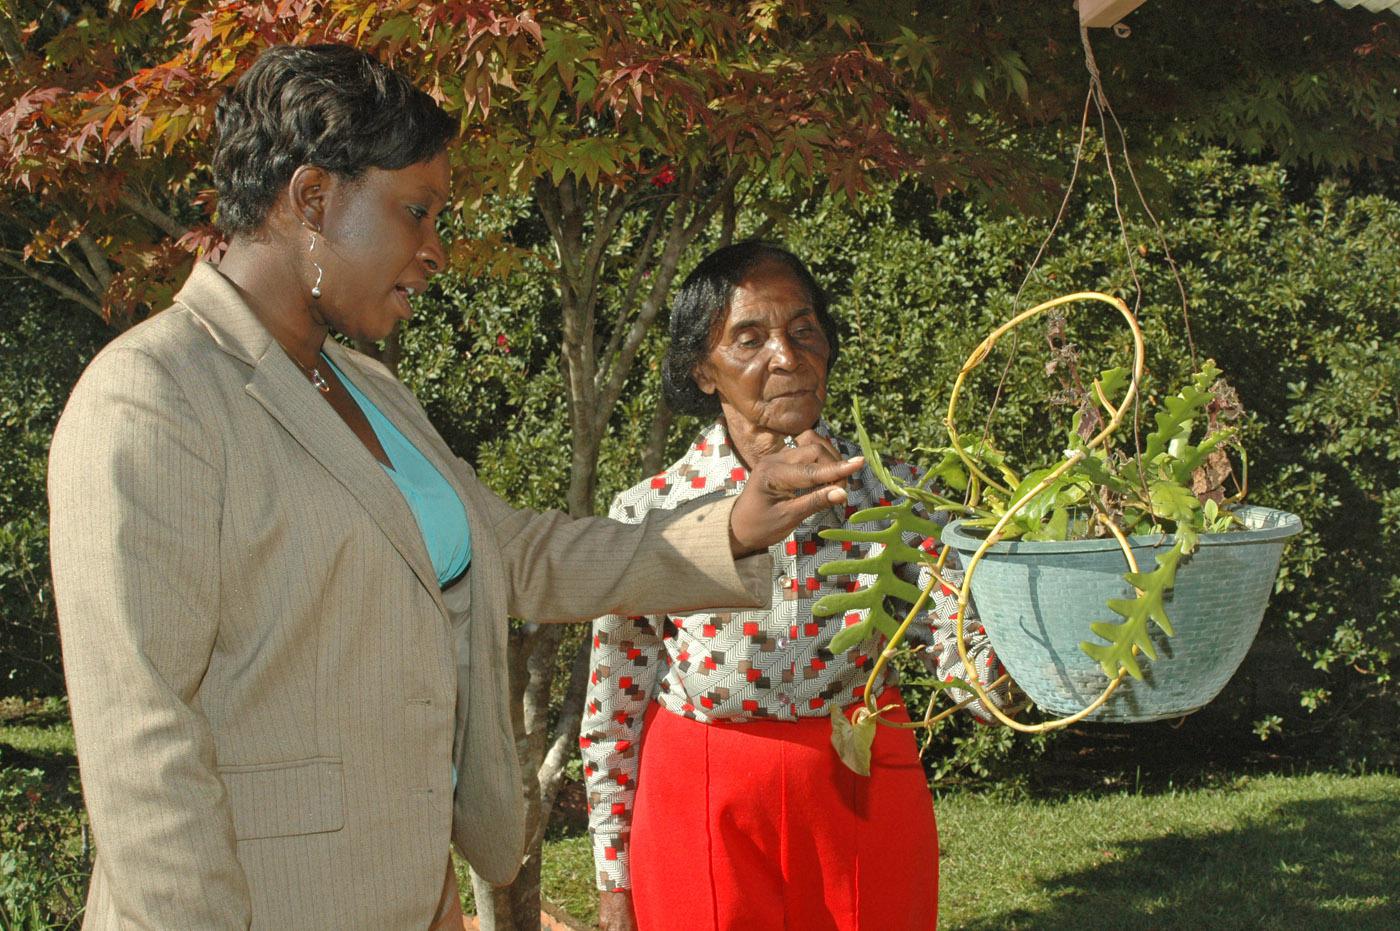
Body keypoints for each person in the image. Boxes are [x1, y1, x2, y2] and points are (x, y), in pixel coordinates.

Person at [46, 47, 865, 931]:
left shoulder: (367, 386)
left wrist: (734, 525)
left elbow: (511, 552)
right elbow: (142, 751)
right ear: (313, 199)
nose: (435, 249)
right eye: (415, 212)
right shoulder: (152, 396)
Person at [580, 242, 1007, 931]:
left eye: (803, 330)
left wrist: (1049, 673)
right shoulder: (653, 515)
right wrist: (612, 874)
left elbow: (962, 653)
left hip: (863, 783)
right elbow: (615, 702)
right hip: (702, 797)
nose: (786, 355)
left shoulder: (894, 496)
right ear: (703, 369)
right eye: (748, 337)